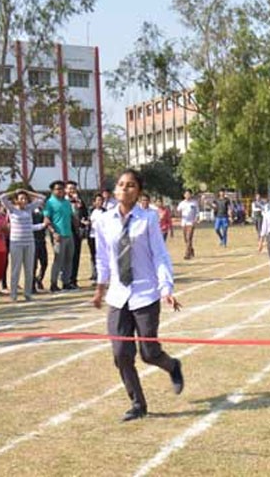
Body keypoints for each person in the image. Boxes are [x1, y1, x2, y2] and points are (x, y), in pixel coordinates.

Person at [92, 168, 184, 422]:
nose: (125, 188)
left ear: (139, 191)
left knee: (148, 352)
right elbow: (102, 257)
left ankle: (172, 366)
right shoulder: (103, 220)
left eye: (131, 185)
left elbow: (160, 255)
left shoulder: (148, 219)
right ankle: (137, 403)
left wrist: (166, 288)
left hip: (145, 293)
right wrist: (100, 288)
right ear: (115, 190)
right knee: (121, 353)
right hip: (118, 295)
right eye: (121, 184)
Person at [0, 188, 47, 301]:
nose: (24, 200)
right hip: (16, 243)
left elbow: (43, 197)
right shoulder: (11, 209)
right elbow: (2, 197)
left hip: (29, 242)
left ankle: (28, 293)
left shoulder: (29, 209)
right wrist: (16, 192)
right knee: (16, 269)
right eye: (21, 198)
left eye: (25, 198)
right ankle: (14, 294)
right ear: (16, 200)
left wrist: (27, 192)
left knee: (29, 269)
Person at [44, 180, 74, 292]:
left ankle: (66, 282)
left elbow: (71, 217)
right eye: (58, 188)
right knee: (58, 260)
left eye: (62, 188)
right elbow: (47, 219)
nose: (60, 190)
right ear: (53, 190)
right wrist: (53, 233)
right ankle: (53, 283)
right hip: (58, 236)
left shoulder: (66, 202)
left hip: (69, 234)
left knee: (68, 259)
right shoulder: (50, 203)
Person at [66, 180, 88, 290]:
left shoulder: (79, 202)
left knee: (76, 257)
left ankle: (73, 280)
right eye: (70, 188)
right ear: (66, 190)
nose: (72, 191)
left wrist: (79, 204)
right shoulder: (63, 202)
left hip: (76, 232)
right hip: (66, 232)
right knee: (67, 257)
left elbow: (85, 215)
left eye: (73, 189)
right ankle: (66, 280)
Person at [87, 194, 106, 282]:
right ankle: (94, 274)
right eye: (97, 200)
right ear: (94, 202)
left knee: (102, 255)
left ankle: (103, 273)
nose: (99, 202)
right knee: (93, 255)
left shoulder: (106, 212)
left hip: (102, 237)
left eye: (101, 200)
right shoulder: (90, 211)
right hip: (92, 236)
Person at [176, 189, 199, 259]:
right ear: (184, 195)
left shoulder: (194, 203)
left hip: (191, 222)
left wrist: (196, 219)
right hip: (184, 223)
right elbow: (178, 211)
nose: (187, 195)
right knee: (186, 239)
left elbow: (197, 212)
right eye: (186, 194)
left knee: (189, 238)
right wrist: (178, 215)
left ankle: (187, 254)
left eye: (189, 194)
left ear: (191, 195)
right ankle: (191, 249)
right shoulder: (182, 203)